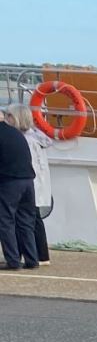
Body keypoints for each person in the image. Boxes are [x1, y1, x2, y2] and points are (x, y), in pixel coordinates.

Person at [9, 104, 51, 266]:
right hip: (35, 183)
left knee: (26, 220)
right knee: (34, 219)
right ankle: (40, 254)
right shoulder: (37, 137)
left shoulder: (25, 140)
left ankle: (32, 255)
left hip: (26, 182)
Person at [0, 108, 39, 271]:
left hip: (10, 182)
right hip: (28, 181)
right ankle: (32, 259)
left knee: (5, 221)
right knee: (26, 222)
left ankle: (13, 260)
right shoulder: (16, 133)